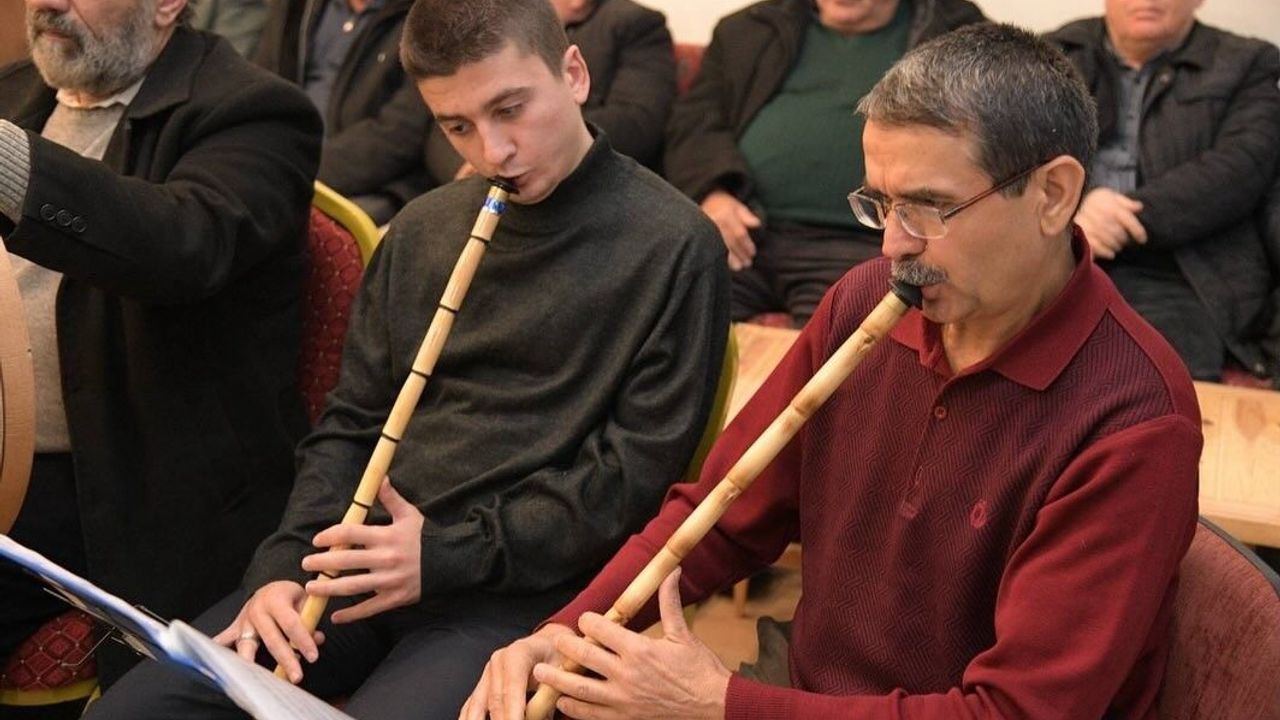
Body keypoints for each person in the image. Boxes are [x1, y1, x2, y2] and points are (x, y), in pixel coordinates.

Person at [467, 23, 1204, 720]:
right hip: (806, 689)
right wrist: (563, 632)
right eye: (881, 204)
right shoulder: (864, 303)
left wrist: (723, 705)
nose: (893, 246)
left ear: (1053, 195)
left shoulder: (1133, 420)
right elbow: (716, 519)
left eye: (929, 207)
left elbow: (1012, 712)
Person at [86, 0, 728, 717]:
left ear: (573, 74)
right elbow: (350, 423)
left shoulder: (676, 245)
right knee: (132, 711)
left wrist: (445, 553)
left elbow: (628, 484)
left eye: (510, 109)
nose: (493, 152)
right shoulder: (423, 229)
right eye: (458, 127)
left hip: (519, 598)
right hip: (364, 567)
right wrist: (284, 564)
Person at [0, 0, 320, 686]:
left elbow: (180, 246)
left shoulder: (254, 112)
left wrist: (9, 166)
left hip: (120, 482)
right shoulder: (14, 91)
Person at [665, 0, 983, 327]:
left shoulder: (957, 35)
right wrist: (713, 194)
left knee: (840, 343)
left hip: (859, 244)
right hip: (747, 230)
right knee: (673, 316)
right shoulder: (749, 29)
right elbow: (694, 125)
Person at [1048, 0, 1280, 381]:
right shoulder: (1052, 55)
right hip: (1058, 250)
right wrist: (1078, 208)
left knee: (1160, 379)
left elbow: (1242, 166)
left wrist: (1118, 217)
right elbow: (1015, 153)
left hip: (1179, 267)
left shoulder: (1247, 63)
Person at [424, 0, 676, 183]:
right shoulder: (492, 24)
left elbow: (637, 121)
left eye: (510, 108)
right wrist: (469, 168)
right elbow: (444, 123)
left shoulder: (632, 23)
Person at [254, 0, 430, 223]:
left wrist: (294, 170)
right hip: (282, 164)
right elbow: (262, 91)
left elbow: (402, 132)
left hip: (373, 184)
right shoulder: (297, 7)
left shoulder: (427, 17)